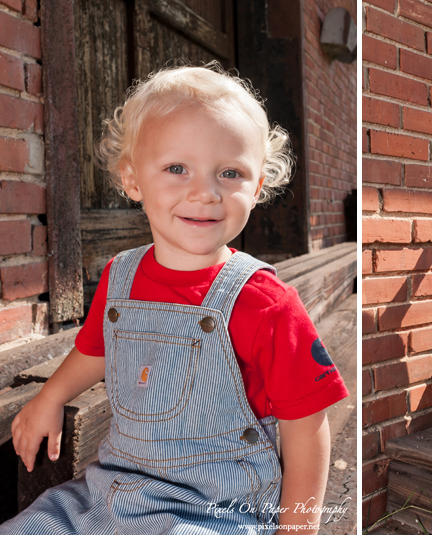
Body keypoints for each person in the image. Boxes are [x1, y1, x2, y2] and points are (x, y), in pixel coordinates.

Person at [4, 63, 349, 534]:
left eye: (230, 173)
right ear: (132, 179)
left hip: (217, 511)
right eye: (176, 168)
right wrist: (51, 395)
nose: (204, 192)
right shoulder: (121, 276)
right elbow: (95, 349)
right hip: (112, 493)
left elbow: (307, 425)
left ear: (258, 187)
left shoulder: (265, 302)